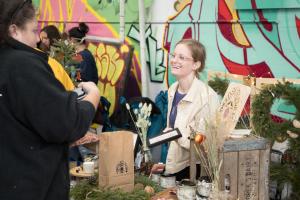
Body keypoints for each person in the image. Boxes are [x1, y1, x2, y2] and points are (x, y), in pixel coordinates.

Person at [0, 1, 100, 200]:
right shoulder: (22, 65)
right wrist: (93, 97)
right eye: (34, 30)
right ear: (14, 30)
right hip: (30, 185)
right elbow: (67, 123)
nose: (37, 38)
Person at [151, 39, 220, 181]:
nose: (174, 60)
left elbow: (203, 144)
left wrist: (175, 135)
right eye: (174, 56)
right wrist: (166, 165)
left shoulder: (207, 97)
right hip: (176, 168)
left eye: (181, 57)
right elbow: (173, 130)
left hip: (195, 172)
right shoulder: (172, 90)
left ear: (196, 64)